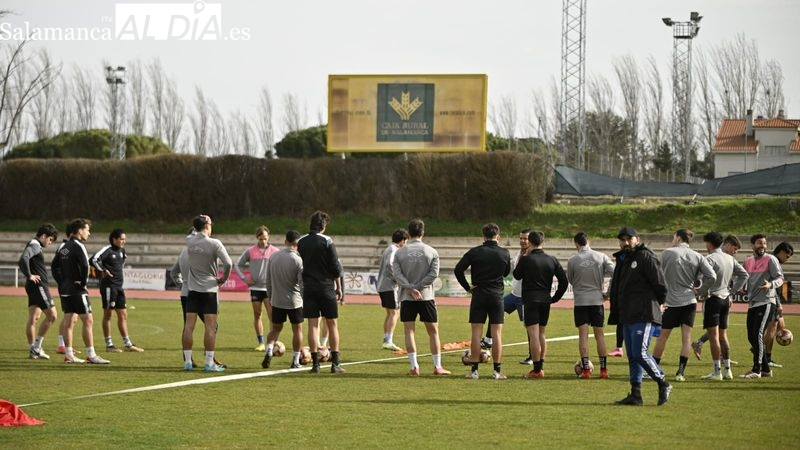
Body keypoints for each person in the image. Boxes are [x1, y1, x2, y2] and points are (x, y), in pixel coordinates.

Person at [610, 227, 671, 406]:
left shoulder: (645, 256)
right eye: (622, 239)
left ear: (638, 239)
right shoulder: (623, 259)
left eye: (629, 239)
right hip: (627, 314)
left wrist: (660, 303)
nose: (625, 242)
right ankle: (636, 394)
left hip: (643, 313)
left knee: (640, 353)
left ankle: (663, 382)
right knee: (632, 356)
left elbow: (660, 283)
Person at [651, 229, 716, 382]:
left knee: (662, 338)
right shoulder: (697, 256)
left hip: (670, 302)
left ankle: (653, 370)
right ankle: (680, 372)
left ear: (678, 238)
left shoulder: (667, 253)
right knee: (686, 339)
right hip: (689, 301)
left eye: (673, 237)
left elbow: (656, 273)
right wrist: (700, 291)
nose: (672, 239)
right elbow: (712, 276)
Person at [392, 218, 451, 376]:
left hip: (407, 297)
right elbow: (434, 274)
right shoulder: (431, 251)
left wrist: (411, 289)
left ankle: (414, 366)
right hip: (426, 296)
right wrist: (418, 288)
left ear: (409, 232)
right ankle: (437, 366)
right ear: (423, 232)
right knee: (433, 331)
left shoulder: (400, 252)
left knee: (409, 331)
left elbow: (397, 274)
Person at [454, 223, 512, 380]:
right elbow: (507, 272)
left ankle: (474, 371)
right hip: (496, 296)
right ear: (498, 236)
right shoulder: (504, 253)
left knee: (476, 333)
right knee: (497, 334)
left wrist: (468, 287)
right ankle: (497, 371)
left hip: (479, 295)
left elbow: (458, 269)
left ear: (483, 236)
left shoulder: (475, 252)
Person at [51, 218, 110, 364]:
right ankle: (91, 354)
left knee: (69, 321)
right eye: (87, 230)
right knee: (88, 320)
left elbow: (54, 267)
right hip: (77, 290)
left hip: (65, 290)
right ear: (79, 230)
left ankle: (69, 354)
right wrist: (83, 283)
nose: (89, 233)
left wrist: (62, 282)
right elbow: (85, 266)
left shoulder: (64, 247)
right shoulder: (79, 246)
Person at [513, 230, 568, 379]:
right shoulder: (552, 259)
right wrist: (555, 298)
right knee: (542, 334)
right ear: (543, 242)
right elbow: (564, 281)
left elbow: (516, 275)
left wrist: (524, 256)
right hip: (545, 299)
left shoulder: (526, 259)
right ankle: (540, 365)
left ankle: (537, 370)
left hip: (530, 300)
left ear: (529, 242)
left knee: (533, 335)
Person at [181, 214, 232, 373]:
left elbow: (192, 234)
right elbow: (228, 263)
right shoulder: (215, 243)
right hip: (209, 289)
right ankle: (209, 362)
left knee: (188, 326)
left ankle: (188, 362)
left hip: (193, 290)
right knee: (210, 328)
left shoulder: (189, 241)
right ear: (207, 225)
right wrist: (223, 279)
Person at [695, 231, 748, 380]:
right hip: (725, 299)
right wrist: (732, 291)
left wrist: (700, 293)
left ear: (710, 244)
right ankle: (728, 371)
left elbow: (707, 278)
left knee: (714, 337)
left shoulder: (710, 258)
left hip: (713, 299)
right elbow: (744, 275)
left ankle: (717, 372)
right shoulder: (730, 258)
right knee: (723, 336)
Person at [297, 211, 345, 374]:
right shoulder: (327, 241)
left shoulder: (301, 242)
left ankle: (315, 364)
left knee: (312, 325)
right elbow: (335, 267)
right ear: (323, 226)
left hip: (309, 287)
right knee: (332, 324)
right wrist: (339, 287)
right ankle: (335, 363)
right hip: (325, 286)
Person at [170, 228, 225, 369]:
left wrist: (182, 284)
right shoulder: (205, 248)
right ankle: (209, 358)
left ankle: (188, 359)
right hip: (204, 290)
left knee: (188, 326)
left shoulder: (184, 251)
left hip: (187, 292)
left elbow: (174, 272)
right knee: (212, 326)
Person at [566, 231, 615, 379]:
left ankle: (586, 370)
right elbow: (616, 273)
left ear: (576, 244)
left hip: (581, 301)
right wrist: (608, 293)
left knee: (583, 336)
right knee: (600, 336)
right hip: (596, 300)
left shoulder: (573, 260)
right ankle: (603, 370)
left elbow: (571, 279)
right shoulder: (601, 256)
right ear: (589, 241)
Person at [91, 228, 143, 353]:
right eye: (121, 239)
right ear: (114, 239)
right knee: (108, 315)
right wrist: (103, 270)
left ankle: (128, 344)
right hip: (109, 286)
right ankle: (109, 345)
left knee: (123, 315)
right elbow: (93, 259)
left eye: (125, 239)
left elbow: (122, 262)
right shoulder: (107, 250)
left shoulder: (122, 251)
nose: (124, 241)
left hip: (119, 287)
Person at [740, 233, 784, 379]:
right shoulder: (748, 261)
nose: (762, 246)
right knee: (751, 336)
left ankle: (756, 369)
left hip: (766, 301)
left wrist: (770, 284)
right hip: (752, 303)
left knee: (757, 334)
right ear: (753, 245)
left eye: (764, 243)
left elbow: (780, 278)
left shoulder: (771, 259)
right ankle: (766, 369)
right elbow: (745, 278)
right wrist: (742, 287)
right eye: (759, 243)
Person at [262, 230, 305, 369]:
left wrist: (271, 296)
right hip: (294, 301)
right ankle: (295, 360)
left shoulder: (273, 256)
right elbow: (301, 283)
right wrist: (304, 298)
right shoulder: (298, 259)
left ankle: (268, 351)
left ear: (285, 241)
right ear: (297, 244)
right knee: (297, 330)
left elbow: (268, 280)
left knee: (275, 329)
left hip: (277, 300)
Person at [235, 225, 280, 352]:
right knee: (257, 314)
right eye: (261, 239)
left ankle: (272, 342)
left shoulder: (275, 251)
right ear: (257, 238)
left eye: (265, 238)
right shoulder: (250, 251)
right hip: (255, 288)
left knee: (272, 316)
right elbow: (237, 265)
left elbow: (280, 266)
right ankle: (261, 342)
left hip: (269, 288)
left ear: (268, 237)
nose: (263, 241)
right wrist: (245, 279)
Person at [19, 223, 59, 360]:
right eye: (50, 239)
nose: (50, 242)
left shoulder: (34, 244)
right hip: (39, 286)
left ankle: (33, 349)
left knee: (34, 318)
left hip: (33, 286)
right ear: (43, 236)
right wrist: (29, 275)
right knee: (52, 315)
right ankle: (36, 347)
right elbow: (23, 258)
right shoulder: (35, 245)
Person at [376, 228, 409, 351]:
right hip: (389, 286)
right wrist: (398, 278)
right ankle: (388, 341)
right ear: (402, 240)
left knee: (390, 313)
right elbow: (390, 265)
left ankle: (386, 339)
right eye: (405, 241)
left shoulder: (390, 249)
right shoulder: (393, 250)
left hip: (385, 286)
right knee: (395, 312)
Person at [763, 241, 793, 368]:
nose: (788, 258)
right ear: (781, 252)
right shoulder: (773, 261)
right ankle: (765, 356)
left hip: (770, 299)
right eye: (787, 255)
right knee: (772, 329)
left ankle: (762, 350)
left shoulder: (771, 260)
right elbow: (772, 285)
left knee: (781, 326)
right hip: (771, 300)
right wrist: (778, 303)